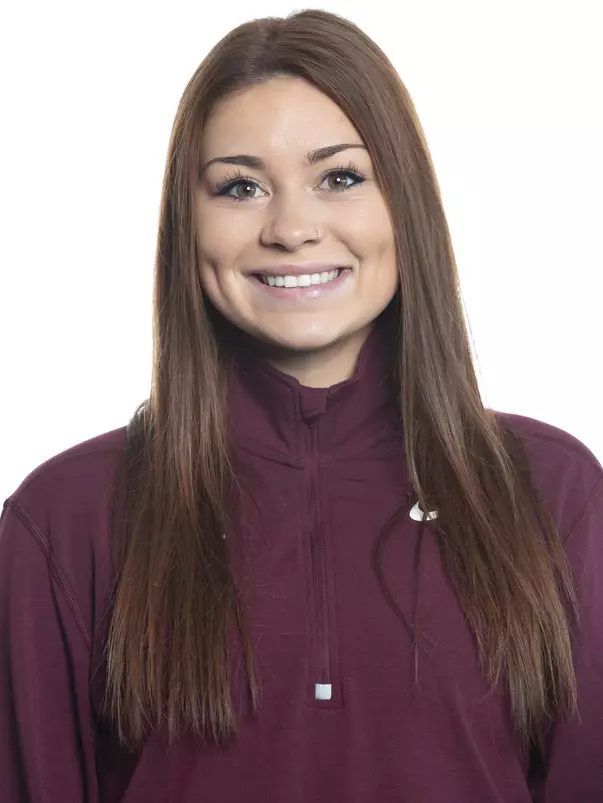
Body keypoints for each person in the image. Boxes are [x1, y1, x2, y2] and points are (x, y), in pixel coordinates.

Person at [1, 8, 602, 802]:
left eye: (340, 177)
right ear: (189, 222)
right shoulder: (65, 516)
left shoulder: (551, 492)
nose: (290, 227)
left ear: (403, 206)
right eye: (240, 187)